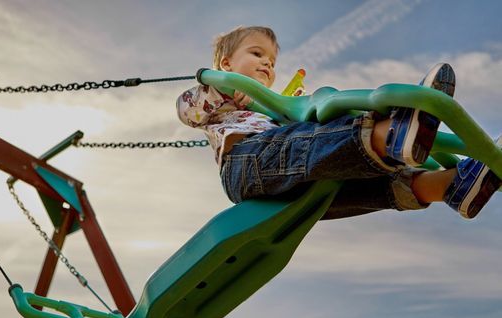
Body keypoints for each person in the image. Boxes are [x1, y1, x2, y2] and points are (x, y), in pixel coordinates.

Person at [177, 26, 501, 219]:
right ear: (225, 63)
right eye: (257, 54)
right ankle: (388, 134)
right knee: (306, 141)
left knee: (349, 185)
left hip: (287, 185)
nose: (266, 64)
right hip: (245, 167)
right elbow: (186, 110)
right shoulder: (216, 98)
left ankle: (449, 186)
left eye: (272, 61)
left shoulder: (271, 107)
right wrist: (220, 86)